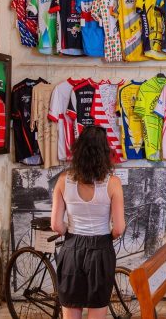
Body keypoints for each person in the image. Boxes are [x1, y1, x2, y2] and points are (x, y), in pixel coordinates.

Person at [50, 126, 125, 319]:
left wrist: (70, 232)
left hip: (71, 249)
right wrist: (107, 237)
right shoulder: (113, 183)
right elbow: (119, 228)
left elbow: (56, 225)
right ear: (104, 152)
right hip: (101, 249)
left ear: (79, 150)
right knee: (97, 308)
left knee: (71, 310)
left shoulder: (63, 180)